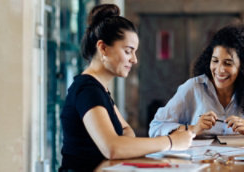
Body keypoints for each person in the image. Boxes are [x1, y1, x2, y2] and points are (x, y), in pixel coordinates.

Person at [59, 4, 194, 171]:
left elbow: (126, 130)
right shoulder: (87, 89)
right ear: (103, 48)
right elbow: (113, 148)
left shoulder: (100, 88)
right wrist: (171, 142)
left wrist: (122, 143)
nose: (134, 60)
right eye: (128, 51)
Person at [149, 24, 244, 138]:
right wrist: (194, 129)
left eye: (228, 63)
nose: (219, 69)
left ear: (243, 67)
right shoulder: (193, 88)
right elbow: (156, 127)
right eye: (215, 61)